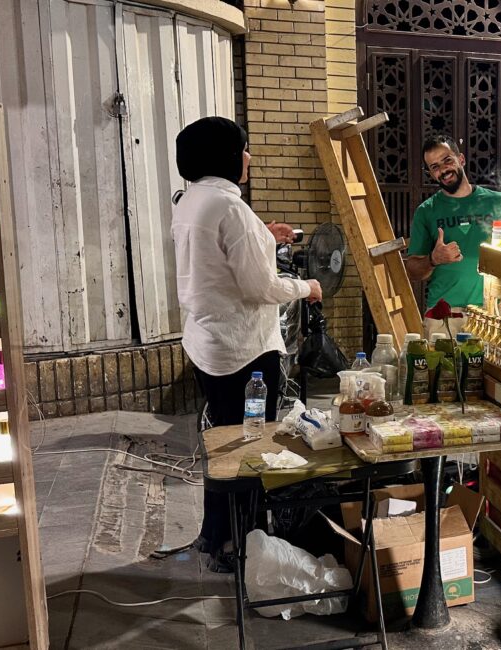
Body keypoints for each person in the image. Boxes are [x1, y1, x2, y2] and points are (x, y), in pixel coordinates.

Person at [171, 116, 321, 569]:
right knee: (250, 448)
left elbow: (224, 260)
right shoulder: (231, 208)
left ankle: (214, 534)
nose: (249, 157)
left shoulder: (192, 200)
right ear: (226, 155)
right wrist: (307, 287)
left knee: (221, 442)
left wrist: (264, 238)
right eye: (244, 148)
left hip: (208, 343)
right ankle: (244, 543)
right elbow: (262, 288)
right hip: (245, 352)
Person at [404, 135, 501, 336]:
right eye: (434, 167)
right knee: (442, 368)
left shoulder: (499, 203)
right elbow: (412, 271)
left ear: (461, 159)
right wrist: (433, 259)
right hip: (443, 317)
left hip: (492, 314)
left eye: (447, 160)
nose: (443, 170)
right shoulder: (426, 211)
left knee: (494, 369)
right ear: (430, 173)